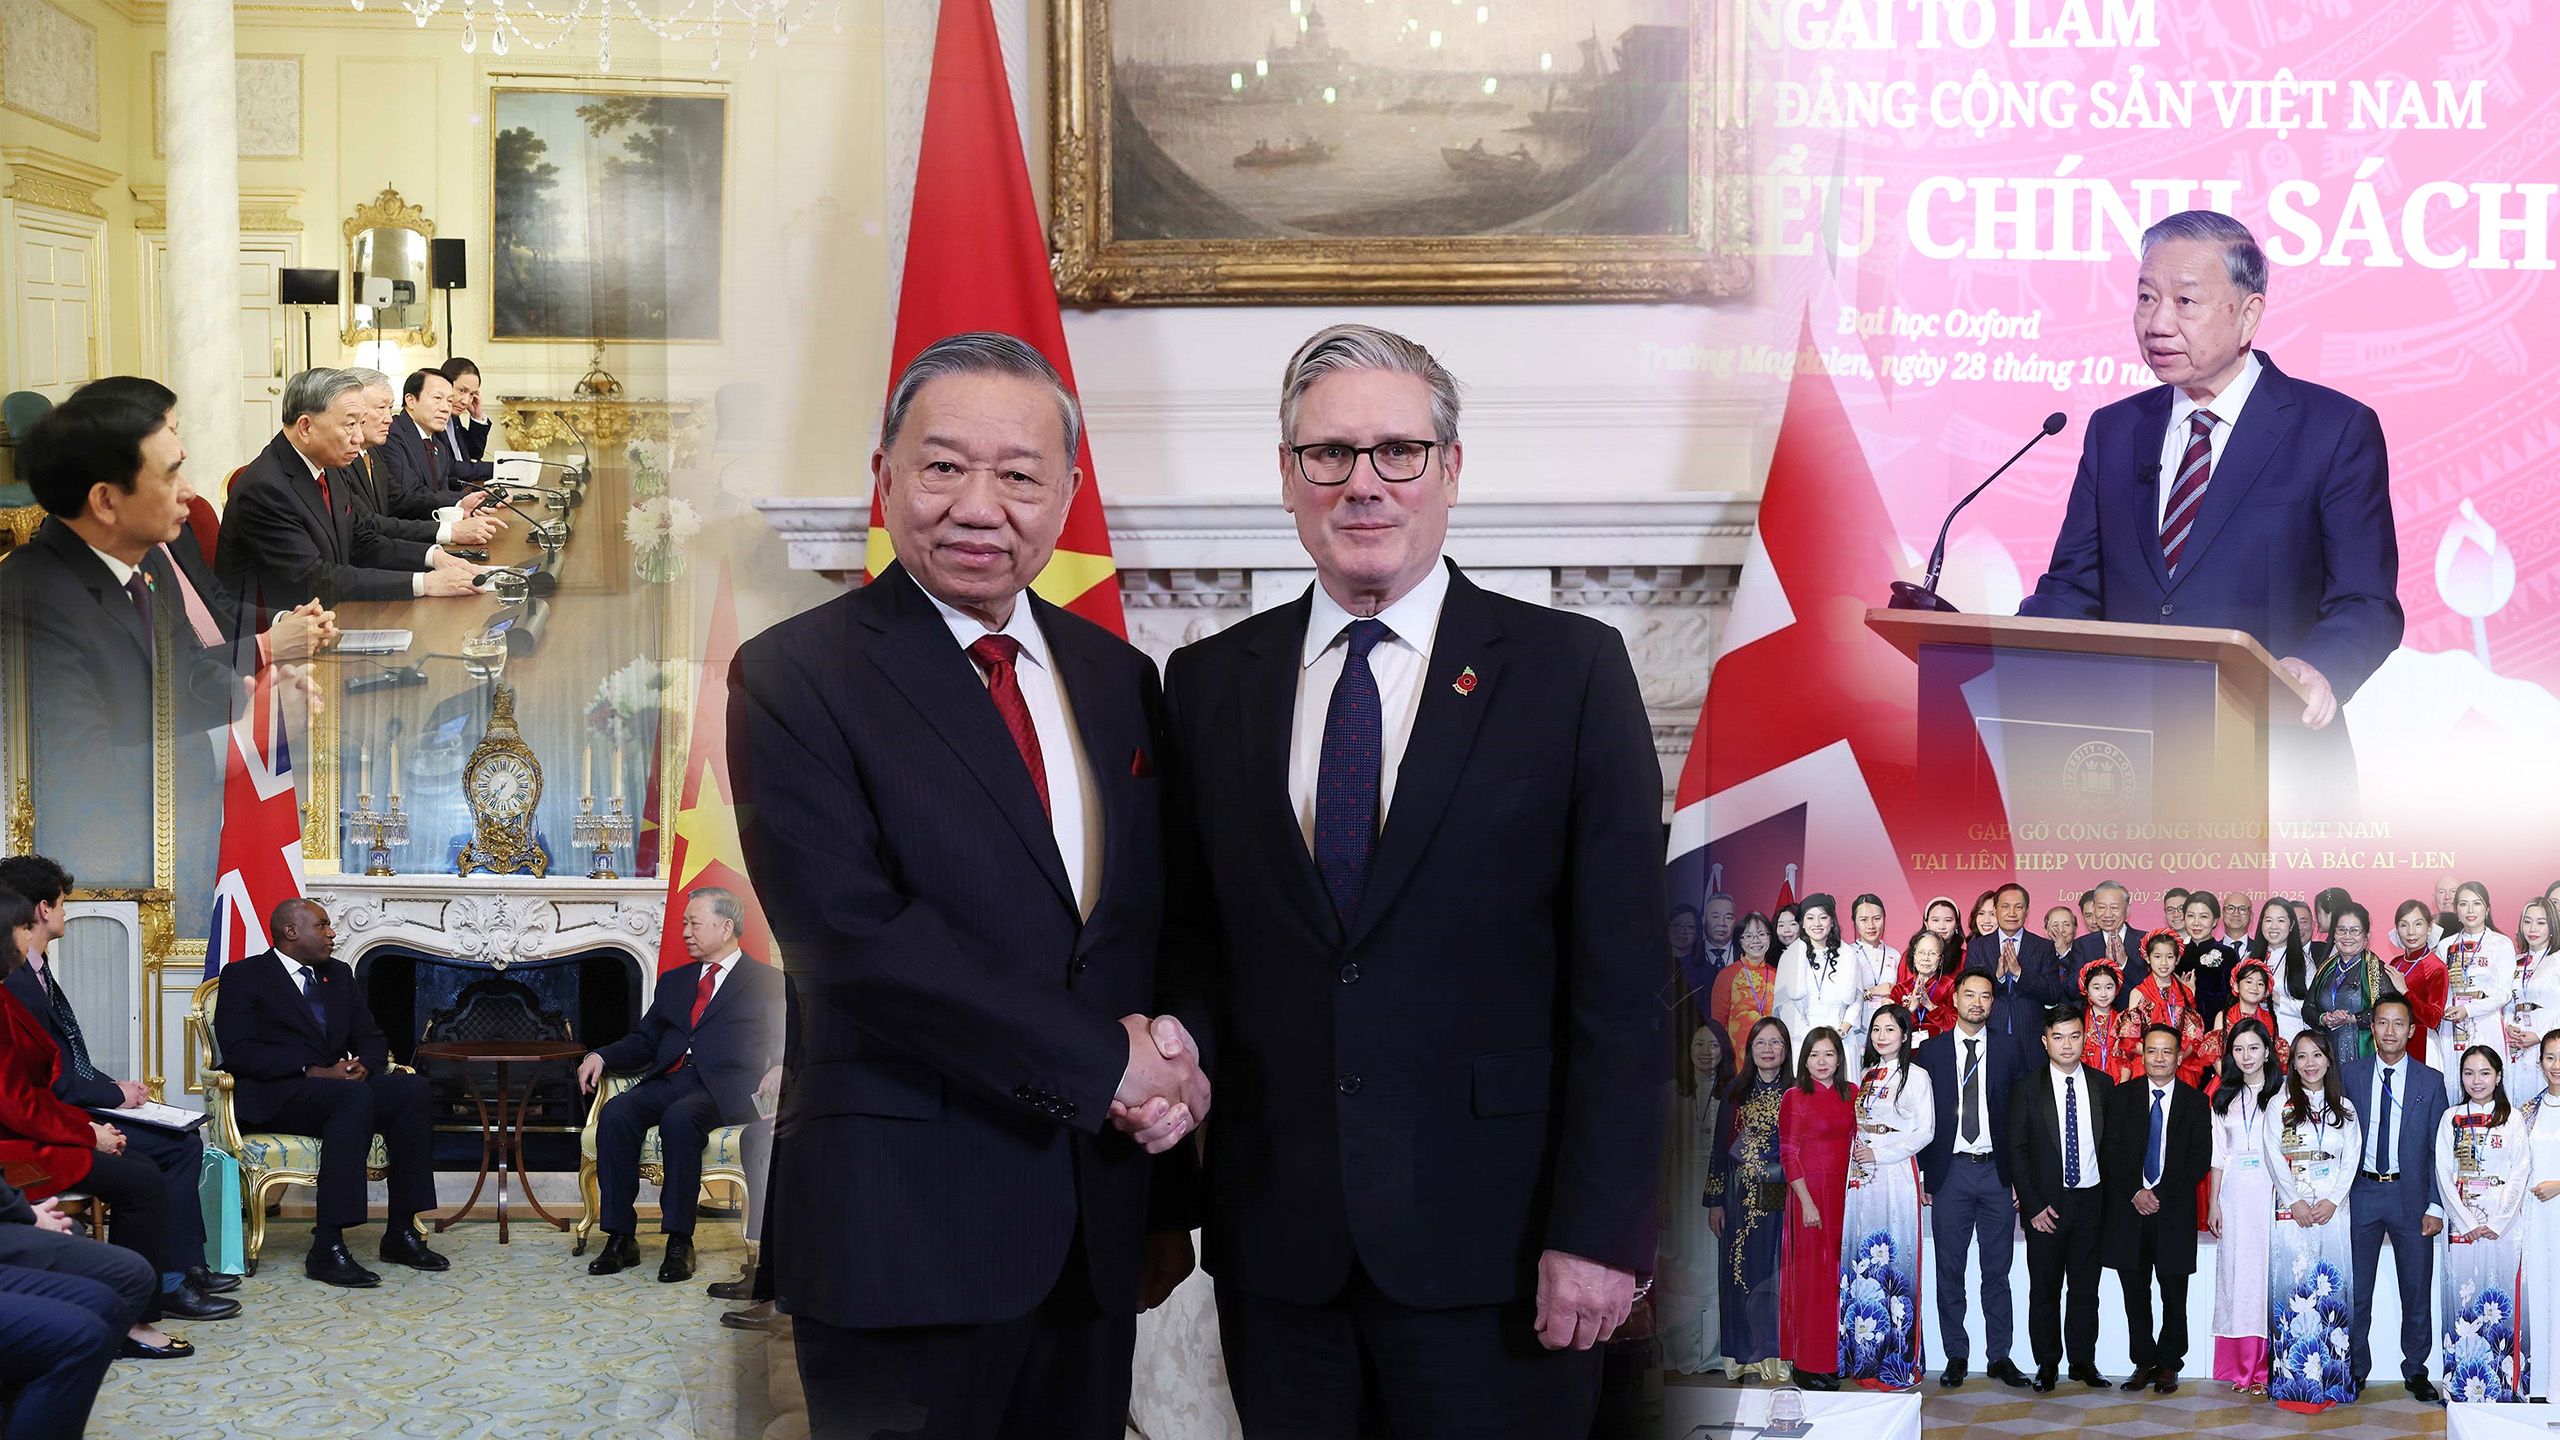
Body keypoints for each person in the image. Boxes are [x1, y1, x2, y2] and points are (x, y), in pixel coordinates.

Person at [1150, 324, 1665, 1435]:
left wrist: (1601, 1231)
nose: (1363, 483)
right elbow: (1193, 942)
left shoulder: (1570, 672)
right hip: (1280, 1253)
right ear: (1287, 475)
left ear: (1452, 468)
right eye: (1328, 453)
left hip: (1505, 1254)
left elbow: (1624, 984)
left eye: (1398, 451)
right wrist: (1175, 1053)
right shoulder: (1205, 684)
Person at [733, 333, 1191, 1438]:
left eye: (1020, 475)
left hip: (1092, 1227)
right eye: (943, 467)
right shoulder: (796, 674)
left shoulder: (1118, 677)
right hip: (900, 1235)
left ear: (1067, 494)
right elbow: (853, 941)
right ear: (884, 476)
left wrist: (1173, 1098)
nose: (979, 506)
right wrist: (1107, 1066)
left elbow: (1152, 925)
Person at [2017, 210, 2402, 797]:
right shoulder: (2115, 431)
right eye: (2146, 298)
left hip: (2275, 761)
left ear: (2248, 314)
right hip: (2124, 765)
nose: (2157, 322)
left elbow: (2367, 602)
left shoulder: (2333, 429)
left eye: (2185, 302)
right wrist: (2003, 652)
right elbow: (2073, 587)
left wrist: (2320, 667)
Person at [0, 856, 236, 1322]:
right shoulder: (16, 982)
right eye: (62, 903)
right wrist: (102, 1114)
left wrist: (114, 1088)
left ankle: (181, 1268)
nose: (65, 912)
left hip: (59, 1111)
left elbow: (64, 1059)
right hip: (46, 1126)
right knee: (173, 1150)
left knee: (179, 1141)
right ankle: (168, 1282)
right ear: (40, 911)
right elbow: (43, 1085)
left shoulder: (32, 971)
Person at [209, 898, 444, 1288]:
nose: (332, 933)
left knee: (411, 1089)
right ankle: (327, 1245)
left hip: (335, 1090)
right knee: (353, 1098)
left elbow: (370, 1036)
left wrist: (364, 1066)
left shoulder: (338, 974)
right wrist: (314, 1071)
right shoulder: (245, 976)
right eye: (322, 925)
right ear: (291, 931)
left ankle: (402, 1232)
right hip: (277, 1094)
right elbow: (241, 1051)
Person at [579, 887, 786, 1284]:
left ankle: (679, 1241)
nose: (686, 932)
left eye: (694, 923)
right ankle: (620, 1238)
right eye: (684, 923)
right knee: (617, 1112)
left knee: (680, 1118)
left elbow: (786, 1037)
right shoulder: (675, 981)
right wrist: (601, 1056)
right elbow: (645, 1040)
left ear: (726, 927)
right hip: (673, 1078)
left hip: (726, 1086)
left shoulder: (766, 981)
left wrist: (780, 1066)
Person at [215, 368, 488, 608]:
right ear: (306, 427)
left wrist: (434, 557)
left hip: (333, 609)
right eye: (350, 425)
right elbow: (316, 578)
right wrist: (423, 584)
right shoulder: (265, 488)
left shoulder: (328, 465)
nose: (358, 437)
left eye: (360, 423)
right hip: (286, 630)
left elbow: (362, 540)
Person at [1916, 971, 2030, 1390]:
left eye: (1985, 996)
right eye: (1970, 994)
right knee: (1950, 1268)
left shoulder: (2008, 1048)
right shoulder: (1930, 1051)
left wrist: (2020, 1176)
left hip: (1997, 1172)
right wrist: (1925, 1172)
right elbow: (1921, 1115)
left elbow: (2021, 1114)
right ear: (1956, 999)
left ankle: (1999, 1355)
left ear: (1992, 1003)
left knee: (1997, 1271)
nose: (1977, 1002)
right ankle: (1956, 1355)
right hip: (1951, 1173)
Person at [2338, 993, 2445, 1402]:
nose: (2389, 1031)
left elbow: (2438, 1149)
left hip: (2410, 1196)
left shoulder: (2430, 1081)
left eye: (2398, 1023)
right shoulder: (2350, 1074)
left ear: (2411, 1030)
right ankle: (2355, 1367)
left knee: (2415, 1288)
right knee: (2356, 1288)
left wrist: (2435, 1204)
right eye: (2382, 1022)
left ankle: (2416, 1368)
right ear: (2372, 1027)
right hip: (2362, 1192)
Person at [2101, 1023, 2213, 1394]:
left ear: (2179, 1057)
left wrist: (2159, 1193)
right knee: (2135, 1294)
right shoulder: (2121, 1097)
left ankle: (2168, 1363)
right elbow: (2110, 1150)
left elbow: (2199, 1157)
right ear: (2142, 1055)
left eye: (2167, 1051)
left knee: (2174, 1294)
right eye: (2152, 1051)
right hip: (2129, 1210)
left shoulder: (2195, 1101)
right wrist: (2136, 1191)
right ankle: (2143, 1361)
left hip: (2173, 1210)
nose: (2159, 1058)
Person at [2010, 1004, 2112, 1391]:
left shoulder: (2103, 1084)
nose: (2067, 1045)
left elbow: (2112, 1149)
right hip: (2045, 1207)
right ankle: (2047, 1363)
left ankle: (2083, 1361)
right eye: (2058, 1037)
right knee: (2045, 1290)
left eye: (2074, 1036)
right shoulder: (2026, 1087)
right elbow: (2017, 1150)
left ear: (2085, 1038)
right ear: (2045, 1041)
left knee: (2086, 1289)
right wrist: (2033, 1205)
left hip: (2091, 1203)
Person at [2266, 1030, 2363, 1412]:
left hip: (2332, 1209)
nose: (2310, 1064)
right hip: (2293, 1210)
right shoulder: (2280, 1105)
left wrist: (2333, 1199)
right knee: (2295, 1289)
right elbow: (2273, 1155)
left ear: (2328, 1060)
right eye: (2302, 1056)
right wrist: (2294, 1200)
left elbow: (2351, 1157)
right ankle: (2294, 1385)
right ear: (2292, 1063)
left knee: (2331, 1290)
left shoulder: (2345, 1109)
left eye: (2317, 1055)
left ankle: (2334, 1383)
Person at [1837, 1005, 1933, 1391]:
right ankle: (1862, 1359)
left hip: (1894, 1173)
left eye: (1890, 1029)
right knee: (1860, 1259)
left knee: (1892, 1259)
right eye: (1876, 1029)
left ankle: (1896, 1364)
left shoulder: (1917, 1076)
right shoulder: (1865, 1075)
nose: (1881, 1036)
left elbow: (1924, 1131)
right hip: (1862, 1176)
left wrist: (1879, 1153)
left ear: (1905, 1035)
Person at [2434, 1045, 2528, 1402]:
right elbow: (2443, 1171)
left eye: (2485, 1073)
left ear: (2498, 1076)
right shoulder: (2451, 1117)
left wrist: (2499, 1220)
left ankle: (2504, 1388)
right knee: (2463, 1299)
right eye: (2469, 1073)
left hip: (2503, 1225)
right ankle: (2461, 1389)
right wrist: (2465, 1219)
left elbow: (2520, 1170)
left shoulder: (2513, 1118)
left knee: (2501, 1300)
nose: (2477, 1081)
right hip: (2464, 1225)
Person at [338, 369, 503, 547]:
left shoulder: (373, 452)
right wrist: (448, 533)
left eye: (390, 408)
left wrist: (460, 503)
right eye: (381, 408)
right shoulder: (357, 453)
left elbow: (399, 498)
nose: (389, 419)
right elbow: (374, 522)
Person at [1712, 1017, 1792, 1382]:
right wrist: (1715, 1201)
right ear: (1750, 1049)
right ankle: (1741, 1356)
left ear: (1786, 1050)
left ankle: (1773, 1356)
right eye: (1761, 1042)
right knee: (1738, 1269)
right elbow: (1719, 1149)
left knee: (1771, 1268)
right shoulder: (1735, 1092)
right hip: (1737, 1193)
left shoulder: (1795, 1091)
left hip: (1778, 1188)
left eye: (1775, 1043)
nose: (1767, 1049)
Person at [2207, 1017, 2282, 1394]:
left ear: (2267, 1051)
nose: (2246, 1055)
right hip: (2235, 1197)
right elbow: (2218, 1155)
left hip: (2271, 1193)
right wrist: (2213, 1204)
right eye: (2238, 1049)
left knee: (2266, 1277)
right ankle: (2242, 1368)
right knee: (2236, 1278)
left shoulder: (2284, 1095)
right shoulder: (2223, 1097)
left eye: (2253, 1047)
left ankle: (2267, 1370)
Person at [1778, 1028, 1854, 1390]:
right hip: (1809, 1198)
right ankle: (1807, 1364)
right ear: (1804, 1060)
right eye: (1814, 1055)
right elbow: (1788, 1155)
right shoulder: (1795, 1096)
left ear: (1839, 1058)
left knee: (1840, 1280)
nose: (1821, 1062)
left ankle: (1834, 1358)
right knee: (1812, 1282)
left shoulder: (1852, 1093)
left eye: (1828, 1054)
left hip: (1846, 1199)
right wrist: (1806, 1202)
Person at [1657, 1016, 1732, 1378]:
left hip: (1717, 1196)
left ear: (1724, 1051)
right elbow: (1658, 1151)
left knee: (1714, 1271)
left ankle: (1714, 1354)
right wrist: (1660, 1199)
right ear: (1687, 1050)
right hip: (1679, 1192)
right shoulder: (1671, 1092)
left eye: (1713, 1045)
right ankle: (1678, 1353)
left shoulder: (1732, 1092)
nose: (1706, 1052)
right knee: (1678, 1272)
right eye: (1699, 1044)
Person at [2436, 882, 2517, 1095]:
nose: (2470, 910)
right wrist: (2445, 1010)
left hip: (2486, 1023)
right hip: (2452, 1027)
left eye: (2477, 904)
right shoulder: (2445, 946)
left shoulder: (2501, 944)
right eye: (2463, 904)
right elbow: (2441, 990)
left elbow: (2503, 993)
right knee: (2454, 1083)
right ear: (2456, 910)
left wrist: (2469, 1010)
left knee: (2487, 1082)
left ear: (2487, 909)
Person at [2517, 1032, 2560, 1402]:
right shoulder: (2527, 1109)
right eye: (2550, 1057)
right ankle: (2541, 1384)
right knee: (2539, 1292)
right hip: (2535, 1215)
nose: (2556, 1065)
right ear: (2539, 1061)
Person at [371, 368, 474, 512]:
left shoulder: (438, 444)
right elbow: (408, 495)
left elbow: (440, 492)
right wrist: (462, 501)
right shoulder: (390, 434)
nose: (446, 408)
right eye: (437, 398)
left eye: (450, 401)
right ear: (411, 401)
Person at [1774, 894, 1866, 1047]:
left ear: (1832, 921)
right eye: (1810, 918)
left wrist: (1842, 1030)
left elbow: (1857, 998)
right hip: (1802, 1041)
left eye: (1823, 917)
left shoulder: (1847, 955)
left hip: (1840, 1039)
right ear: (1803, 923)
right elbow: (1785, 1004)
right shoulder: (1790, 957)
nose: (1817, 924)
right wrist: (1810, 1038)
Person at [2121, 931, 2208, 1087]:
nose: (2163, 963)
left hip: (2180, 1064)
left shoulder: (2185, 992)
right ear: (2147, 958)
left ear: (2177, 959)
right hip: (2147, 1064)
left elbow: (2194, 1037)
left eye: (2169, 957)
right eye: (2157, 956)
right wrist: (2155, 1055)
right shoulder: (2138, 993)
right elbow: (2130, 1039)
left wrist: (2175, 1056)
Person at [2308, 902, 2381, 1064]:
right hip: (2327, 1054)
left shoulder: (2376, 969)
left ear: (2367, 935)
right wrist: (2323, 1018)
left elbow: (2386, 1013)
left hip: (2363, 1055)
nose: (2347, 936)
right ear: (2334, 934)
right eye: (2341, 930)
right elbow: (2308, 1008)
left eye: (2354, 931)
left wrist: (2352, 1019)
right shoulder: (2326, 968)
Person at [2383, 899, 2450, 1066]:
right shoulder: (2395, 963)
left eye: (2418, 924)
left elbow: (2433, 1019)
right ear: (2397, 930)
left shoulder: (2436, 967)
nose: (2411, 932)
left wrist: (2405, 991)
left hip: (2423, 1044)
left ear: (2429, 927)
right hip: (2393, 1041)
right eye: (2404, 925)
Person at [2505, 898, 2560, 1102]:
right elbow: (2508, 1003)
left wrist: (2540, 1035)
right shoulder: (2516, 962)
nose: (2533, 928)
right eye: (2527, 922)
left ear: (2552, 926)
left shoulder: (2557, 960)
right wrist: (2509, 1026)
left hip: (2550, 1046)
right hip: (2517, 1045)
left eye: (2541, 922)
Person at [2239, 898, 2314, 1045]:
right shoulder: (2249, 958)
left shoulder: (2304, 962)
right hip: (2254, 1038)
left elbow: (2311, 1008)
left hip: (2290, 1038)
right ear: (2261, 923)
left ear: (2291, 925)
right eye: (2268, 920)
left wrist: (2278, 1000)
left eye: (2281, 920)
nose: (2274, 926)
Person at [2200, 958, 2282, 1079]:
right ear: (2236, 987)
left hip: (2260, 1081)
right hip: (2228, 1079)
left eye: (2260, 984)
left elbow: (2272, 1059)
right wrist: (2233, 1081)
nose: (2254, 987)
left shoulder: (2269, 1019)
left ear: (2266, 992)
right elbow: (2216, 1057)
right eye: (2249, 982)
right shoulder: (2224, 1016)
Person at [1710, 912, 1778, 1042]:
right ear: (1740, 941)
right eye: (1748, 936)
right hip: (1737, 1050)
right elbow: (1718, 1024)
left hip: (1771, 1048)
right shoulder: (1727, 975)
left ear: (1770, 938)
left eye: (1762, 934)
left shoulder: (1778, 974)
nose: (1756, 941)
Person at [2178, 890, 2238, 1017]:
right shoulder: (2177, 954)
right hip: (2179, 1025)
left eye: (2203, 916)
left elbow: (2233, 999)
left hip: (2216, 1025)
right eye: (2190, 916)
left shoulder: (2228, 954)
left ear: (2215, 921)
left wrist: (2194, 994)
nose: (2196, 922)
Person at [2068, 880, 2139, 978]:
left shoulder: (2144, 940)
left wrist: (2125, 963)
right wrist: (2104, 965)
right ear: (2094, 909)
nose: (2107, 914)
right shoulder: (2082, 945)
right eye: (2101, 907)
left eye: (2114, 908)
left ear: (2127, 909)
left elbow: (2154, 982)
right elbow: (2072, 985)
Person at [438, 355, 497, 472]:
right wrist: (499, 468)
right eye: (462, 391)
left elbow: (474, 454)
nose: (465, 401)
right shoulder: (431, 419)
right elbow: (451, 467)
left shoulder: (454, 418)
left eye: (471, 394)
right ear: (444, 384)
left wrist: (477, 417)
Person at [1846, 894, 1900, 1019]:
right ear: (1855, 921)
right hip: (1854, 1024)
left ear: (1884, 918)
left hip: (1887, 1022)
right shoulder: (1847, 953)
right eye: (1863, 920)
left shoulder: (1894, 954)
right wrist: (1873, 991)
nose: (1871, 925)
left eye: (1876, 918)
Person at [1892, 930, 1956, 1038]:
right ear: (1914, 957)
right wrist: (1911, 1008)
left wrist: (1929, 1005)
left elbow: (1955, 1026)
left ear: (1941, 960)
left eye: (1932, 953)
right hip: (1907, 1045)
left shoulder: (1951, 986)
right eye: (1921, 952)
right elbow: (1892, 1029)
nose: (1926, 958)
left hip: (1939, 1044)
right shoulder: (1900, 989)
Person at [2079, 961, 2134, 1081]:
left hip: (2117, 1082)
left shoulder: (2124, 1020)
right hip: (2085, 1081)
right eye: (2097, 988)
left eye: (2109, 987)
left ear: (2117, 989)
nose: (2103, 994)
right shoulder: (2079, 1020)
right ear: (2086, 990)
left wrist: (2122, 1087)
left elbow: (2127, 1060)